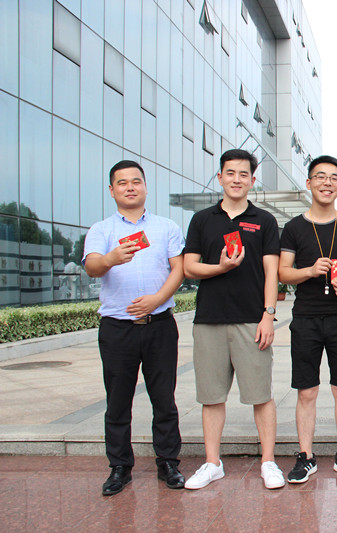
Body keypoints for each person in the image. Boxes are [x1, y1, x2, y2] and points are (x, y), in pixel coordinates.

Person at [182, 149, 284, 490]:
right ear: (220, 177)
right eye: (230, 173)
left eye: (243, 174)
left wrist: (268, 315)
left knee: (260, 394)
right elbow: (189, 267)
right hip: (209, 319)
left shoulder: (264, 221)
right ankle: (212, 463)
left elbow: (271, 272)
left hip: (250, 320)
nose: (236, 179)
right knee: (211, 397)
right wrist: (221, 267)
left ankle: (268, 461)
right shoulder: (202, 220)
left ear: (252, 181)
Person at [83, 160, 185, 495]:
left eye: (136, 181)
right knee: (117, 401)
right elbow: (92, 267)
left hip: (159, 325)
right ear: (112, 190)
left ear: (145, 187)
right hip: (117, 329)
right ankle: (119, 467)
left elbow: (179, 269)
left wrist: (157, 299)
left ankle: (168, 462)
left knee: (164, 398)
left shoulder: (166, 227)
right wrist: (110, 258)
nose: (130, 187)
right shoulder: (101, 230)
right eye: (122, 182)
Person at [278, 155, 337, 483]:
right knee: (307, 391)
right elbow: (283, 272)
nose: (327, 183)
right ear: (309, 183)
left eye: (333, 178)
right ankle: (305, 456)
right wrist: (309, 270)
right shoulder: (294, 228)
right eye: (320, 177)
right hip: (305, 318)